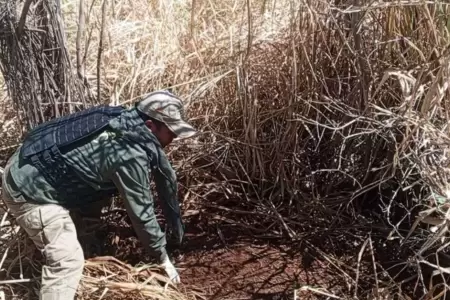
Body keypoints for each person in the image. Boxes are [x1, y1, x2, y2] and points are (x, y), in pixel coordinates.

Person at [1, 90, 197, 299]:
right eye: (171, 132)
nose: (174, 137)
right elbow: (142, 213)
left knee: (103, 188)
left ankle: (86, 236)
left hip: (29, 164)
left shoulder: (123, 120)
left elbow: (164, 174)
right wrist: (161, 258)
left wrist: (176, 233)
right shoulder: (128, 155)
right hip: (28, 193)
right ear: (150, 126)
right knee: (67, 261)